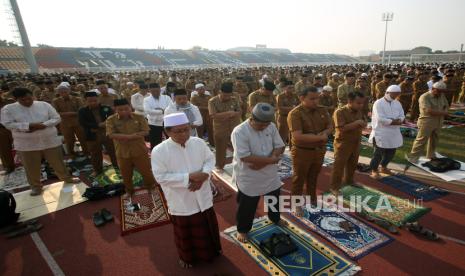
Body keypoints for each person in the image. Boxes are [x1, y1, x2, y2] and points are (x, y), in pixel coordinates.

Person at [151, 112, 221, 269]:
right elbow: (161, 177)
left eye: (186, 129)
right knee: (186, 234)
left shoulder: (198, 142)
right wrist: (189, 178)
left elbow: (209, 160)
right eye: (178, 131)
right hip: (182, 199)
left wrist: (204, 175)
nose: (183, 134)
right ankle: (187, 258)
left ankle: (213, 252)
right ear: (167, 132)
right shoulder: (159, 151)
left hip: (202, 193)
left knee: (207, 226)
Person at [1, 88, 80, 196]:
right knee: (31, 167)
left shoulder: (43, 105)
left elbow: (56, 118)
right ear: (16, 99)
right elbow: (8, 124)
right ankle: (36, 186)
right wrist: (28, 126)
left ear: (32, 96)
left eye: (29, 99)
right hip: (27, 144)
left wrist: (43, 125)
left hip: (49, 140)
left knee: (58, 162)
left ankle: (67, 178)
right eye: (23, 100)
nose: (27, 102)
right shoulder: (8, 109)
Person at [231, 103, 287, 242]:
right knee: (247, 205)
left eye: (266, 124)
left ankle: (275, 218)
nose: (263, 127)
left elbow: (279, 146)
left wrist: (268, 161)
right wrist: (271, 160)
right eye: (260, 124)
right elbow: (245, 157)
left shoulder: (271, 126)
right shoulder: (240, 131)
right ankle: (243, 229)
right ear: (252, 118)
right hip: (249, 175)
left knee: (274, 198)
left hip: (269, 173)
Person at [287, 86, 333, 216]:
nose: (316, 101)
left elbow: (330, 126)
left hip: (318, 150)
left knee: (313, 176)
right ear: (302, 98)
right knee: (299, 178)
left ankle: (312, 199)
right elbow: (297, 136)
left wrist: (325, 133)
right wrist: (319, 137)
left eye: (317, 98)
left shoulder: (322, 110)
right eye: (312, 99)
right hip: (302, 151)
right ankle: (297, 205)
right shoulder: (295, 113)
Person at [106, 99, 156, 197]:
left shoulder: (139, 117)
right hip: (122, 152)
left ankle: (150, 186)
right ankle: (129, 190)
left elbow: (146, 131)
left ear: (130, 107)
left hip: (139, 150)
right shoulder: (111, 120)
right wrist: (129, 137)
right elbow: (110, 134)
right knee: (125, 173)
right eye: (120, 109)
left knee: (146, 171)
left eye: (126, 109)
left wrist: (129, 137)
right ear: (115, 109)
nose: (124, 111)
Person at [330, 91, 366, 195]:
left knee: (353, 163)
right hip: (343, 143)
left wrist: (362, 123)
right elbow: (341, 129)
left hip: (356, 141)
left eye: (362, 103)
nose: (361, 105)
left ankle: (349, 180)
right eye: (358, 103)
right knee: (339, 166)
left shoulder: (359, 110)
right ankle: (334, 187)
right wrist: (357, 123)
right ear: (350, 101)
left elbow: (363, 121)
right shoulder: (340, 112)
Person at [406, 81, 449, 163]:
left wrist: (445, 111)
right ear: (433, 89)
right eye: (439, 91)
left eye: (443, 91)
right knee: (421, 140)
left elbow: (446, 105)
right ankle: (414, 157)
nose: (441, 93)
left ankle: (431, 155)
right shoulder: (425, 97)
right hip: (427, 121)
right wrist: (444, 113)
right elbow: (428, 111)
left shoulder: (441, 95)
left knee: (434, 139)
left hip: (438, 121)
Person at [368, 85, 405, 179]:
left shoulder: (397, 103)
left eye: (398, 94)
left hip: (394, 132)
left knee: (391, 151)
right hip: (381, 132)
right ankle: (374, 170)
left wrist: (400, 120)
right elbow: (380, 119)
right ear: (388, 92)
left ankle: (384, 167)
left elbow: (402, 115)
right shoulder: (378, 103)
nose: (396, 96)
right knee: (378, 153)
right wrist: (393, 121)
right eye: (395, 94)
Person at [78, 92, 118, 176]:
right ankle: (97, 170)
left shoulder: (106, 108)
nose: (93, 103)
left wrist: (106, 124)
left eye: (95, 100)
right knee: (95, 154)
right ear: (85, 101)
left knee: (113, 151)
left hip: (107, 134)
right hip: (92, 135)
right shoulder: (82, 111)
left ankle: (117, 167)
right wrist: (98, 125)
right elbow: (83, 123)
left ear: (98, 99)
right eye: (90, 101)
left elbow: (113, 118)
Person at [208, 82, 242, 171]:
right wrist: (229, 113)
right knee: (220, 149)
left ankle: (240, 163)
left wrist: (230, 114)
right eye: (225, 95)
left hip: (234, 127)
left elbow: (239, 111)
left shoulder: (234, 99)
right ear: (220, 92)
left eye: (229, 96)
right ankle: (219, 166)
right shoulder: (212, 101)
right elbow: (213, 115)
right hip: (221, 129)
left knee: (238, 147)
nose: (227, 97)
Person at [52, 83, 89, 159]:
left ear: (69, 91)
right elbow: (55, 113)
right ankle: (71, 154)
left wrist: (67, 113)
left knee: (82, 138)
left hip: (78, 122)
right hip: (65, 124)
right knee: (68, 140)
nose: (63, 94)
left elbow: (82, 110)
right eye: (61, 92)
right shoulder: (56, 101)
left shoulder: (77, 99)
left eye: (65, 92)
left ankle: (86, 152)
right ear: (59, 93)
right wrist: (71, 113)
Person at [143, 83, 172, 149]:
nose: (155, 93)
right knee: (155, 143)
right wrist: (162, 111)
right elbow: (148, 111)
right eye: (153, 91)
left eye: (157, 91)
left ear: (160, 90)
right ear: (149, 91)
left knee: (171, 140)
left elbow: (171, 108)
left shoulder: (166, 98)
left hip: (167, 122)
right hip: (153, 124)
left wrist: (156, 110)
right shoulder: (146, 99)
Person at [0, 91, 15, 174]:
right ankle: (8, 166)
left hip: (14, 126)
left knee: (23, 145)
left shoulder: (9, 101)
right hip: (1, 129)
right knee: (4, 149)